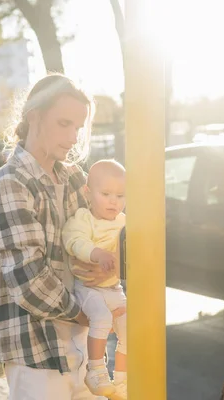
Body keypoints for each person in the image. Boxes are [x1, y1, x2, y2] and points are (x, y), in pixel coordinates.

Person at [0, 74, 122, 400]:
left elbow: (104, 236)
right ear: (34, 117)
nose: (72, 136)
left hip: (80, 343)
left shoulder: (73, 178)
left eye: (78, 128)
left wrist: (112, 266)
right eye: (64, 123)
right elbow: (30, 280)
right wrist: (95, 316)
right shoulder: (9, 183)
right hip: (34, 350)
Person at [62, 160, 127, 399]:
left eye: (120, 195)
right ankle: (95, 370)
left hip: (113, 288)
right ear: (88, 193)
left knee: (130, 327)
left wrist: (118, 265)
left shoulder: (124, 223)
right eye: (106, 194)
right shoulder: (83, 218)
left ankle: (122, 377)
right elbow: (74, 240)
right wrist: (96, 253)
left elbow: (134, 251)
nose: (114, 201)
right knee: (101, 317)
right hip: (88, 288)